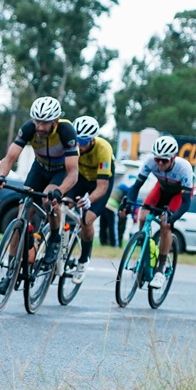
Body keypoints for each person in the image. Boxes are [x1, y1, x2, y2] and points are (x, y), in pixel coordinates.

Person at [0, 96, 78, 293]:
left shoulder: (66, 131)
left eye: (45, 122)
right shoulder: (29, 128)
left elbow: (73, 173)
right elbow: (9, 158)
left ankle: (54, 237)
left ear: (55, 121)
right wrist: (1, 176)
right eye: (37, 121)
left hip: (60, 171)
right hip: (39, 169)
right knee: (22, 213)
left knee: (48, 199)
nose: (39, 126)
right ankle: (11, 271)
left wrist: (60, 191)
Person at [122, 135, 192, 289]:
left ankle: (160, 269)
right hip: (161, 189)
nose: (159, 163)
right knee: (142, 215)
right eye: (157, 159)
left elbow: (186, 203)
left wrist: (173, 218)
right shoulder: (149, 162)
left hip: (179, 195)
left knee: (165, 224)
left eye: (164, 160)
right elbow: (136, 187)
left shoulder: (184, 168)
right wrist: (128, 204)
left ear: (173, 158)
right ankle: (145, 253)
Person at [66, 115, 116, 284]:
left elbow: (102, 186)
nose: (79, 145)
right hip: (80, 178)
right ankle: (56, 244)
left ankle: (83, 260)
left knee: (87, 220)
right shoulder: (71, 144)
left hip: (99, 183)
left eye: (83, 142)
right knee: (61, 205)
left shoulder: (103, 149)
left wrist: (89, 200)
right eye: (77, 140)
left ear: (92, 140)